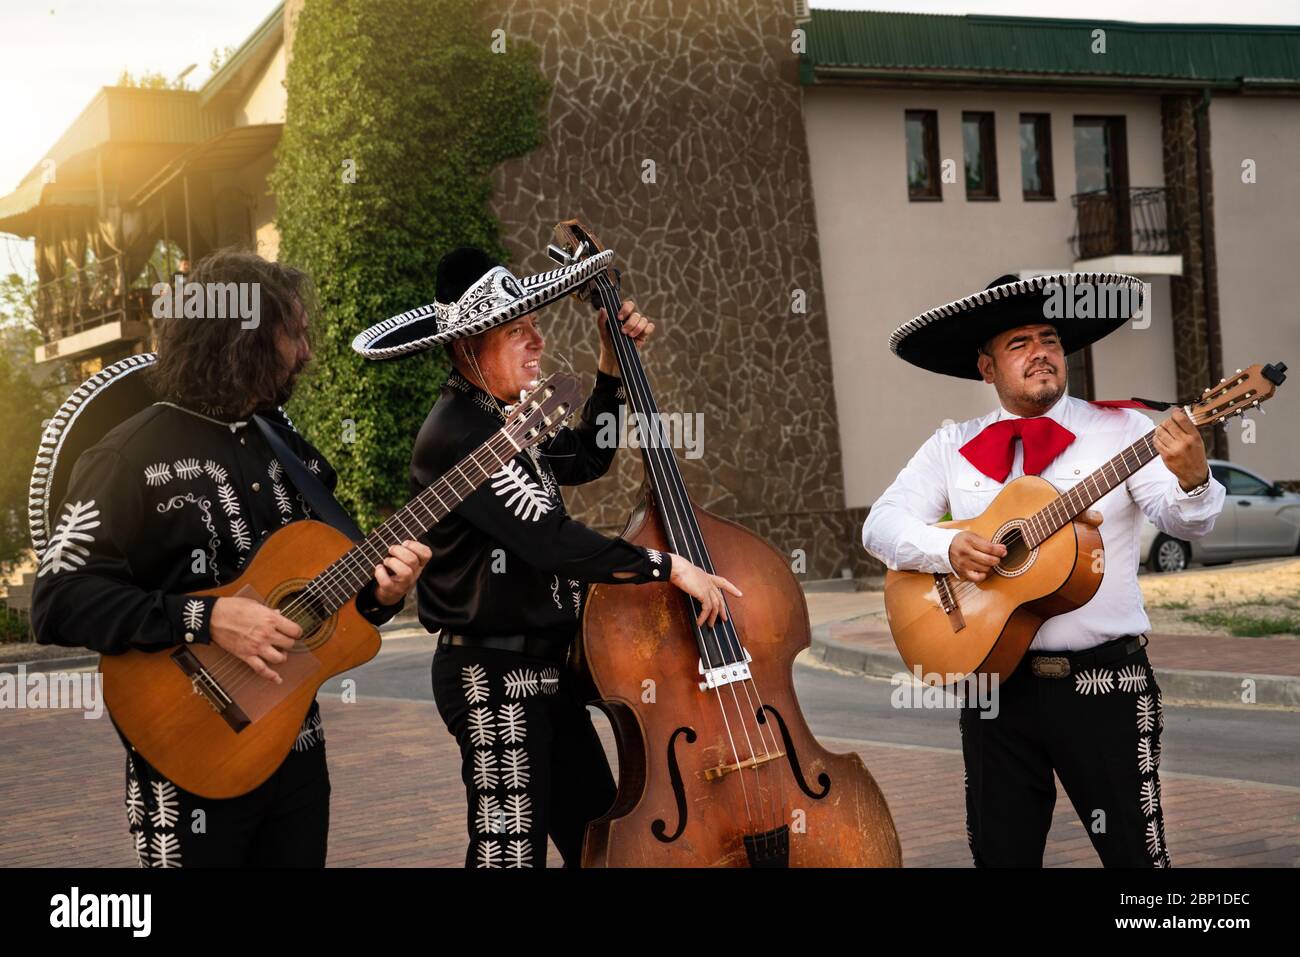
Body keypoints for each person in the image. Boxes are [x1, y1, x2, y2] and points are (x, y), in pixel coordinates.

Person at [30, 248, 430, 867]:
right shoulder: (124, 457)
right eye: (291, 335)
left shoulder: (286, 444)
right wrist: (206, 618)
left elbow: (326, 599)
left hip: (296, 752)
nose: (306, 353)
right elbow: (58, 603)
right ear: (240, 340)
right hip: (186, 757)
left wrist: (382, 594)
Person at [352, 246, 741, 867]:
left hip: (551, 675)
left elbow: (588, 456)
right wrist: (671, 567)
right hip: (492, 681)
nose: (537, 340)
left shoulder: (508, 416)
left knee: (601, 844)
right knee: (509, 857)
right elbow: (550, 540)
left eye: (534, 325)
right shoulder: (456, 432)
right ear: (468, 347)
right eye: (516, 331)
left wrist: (612, 365)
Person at [862, 273, 1225, 867]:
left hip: (1103, 683)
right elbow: (880, 527)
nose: (1040, 353)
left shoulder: (1127, 430)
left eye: (1050, 339)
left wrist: (1192, 476)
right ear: (987, 369)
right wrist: (944, 550)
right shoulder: (952, 445)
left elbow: (1188, 522)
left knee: (1138, 862)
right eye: (1019, 343)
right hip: (992, 687)